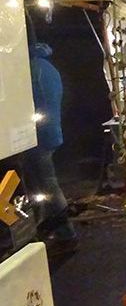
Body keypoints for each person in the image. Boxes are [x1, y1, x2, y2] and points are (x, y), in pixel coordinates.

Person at [21, 23, 78, 257]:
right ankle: (52, 229)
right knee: (45, 183)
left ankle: (64, 232)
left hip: (37, 136)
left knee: (45, 185)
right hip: (49, 132)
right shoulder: (46, 67)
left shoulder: (29, 71)